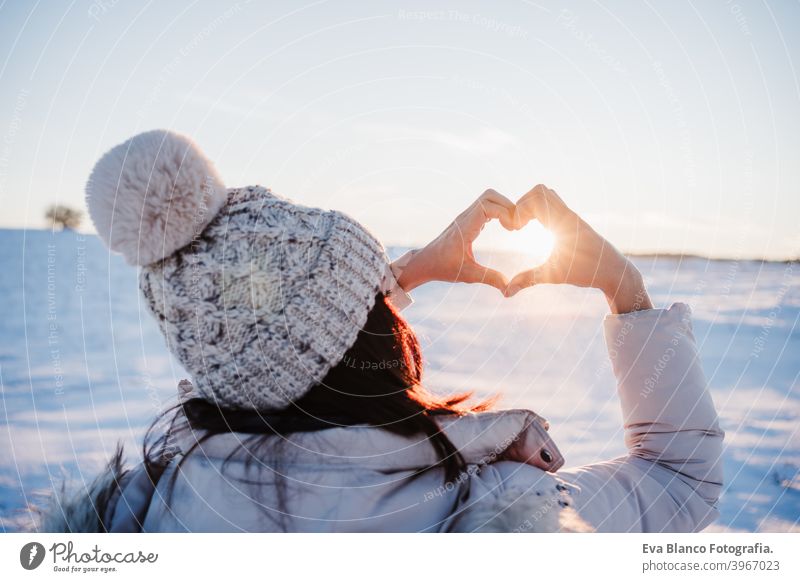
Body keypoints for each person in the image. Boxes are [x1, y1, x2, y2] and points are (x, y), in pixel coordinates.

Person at [39, 129, 724, 533]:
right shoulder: (496, 515)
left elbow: (283, 343)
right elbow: (681, 480)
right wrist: (625, 288)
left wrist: (400, 276)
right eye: (381, 306)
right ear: (377, 338)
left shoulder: (145, 511)